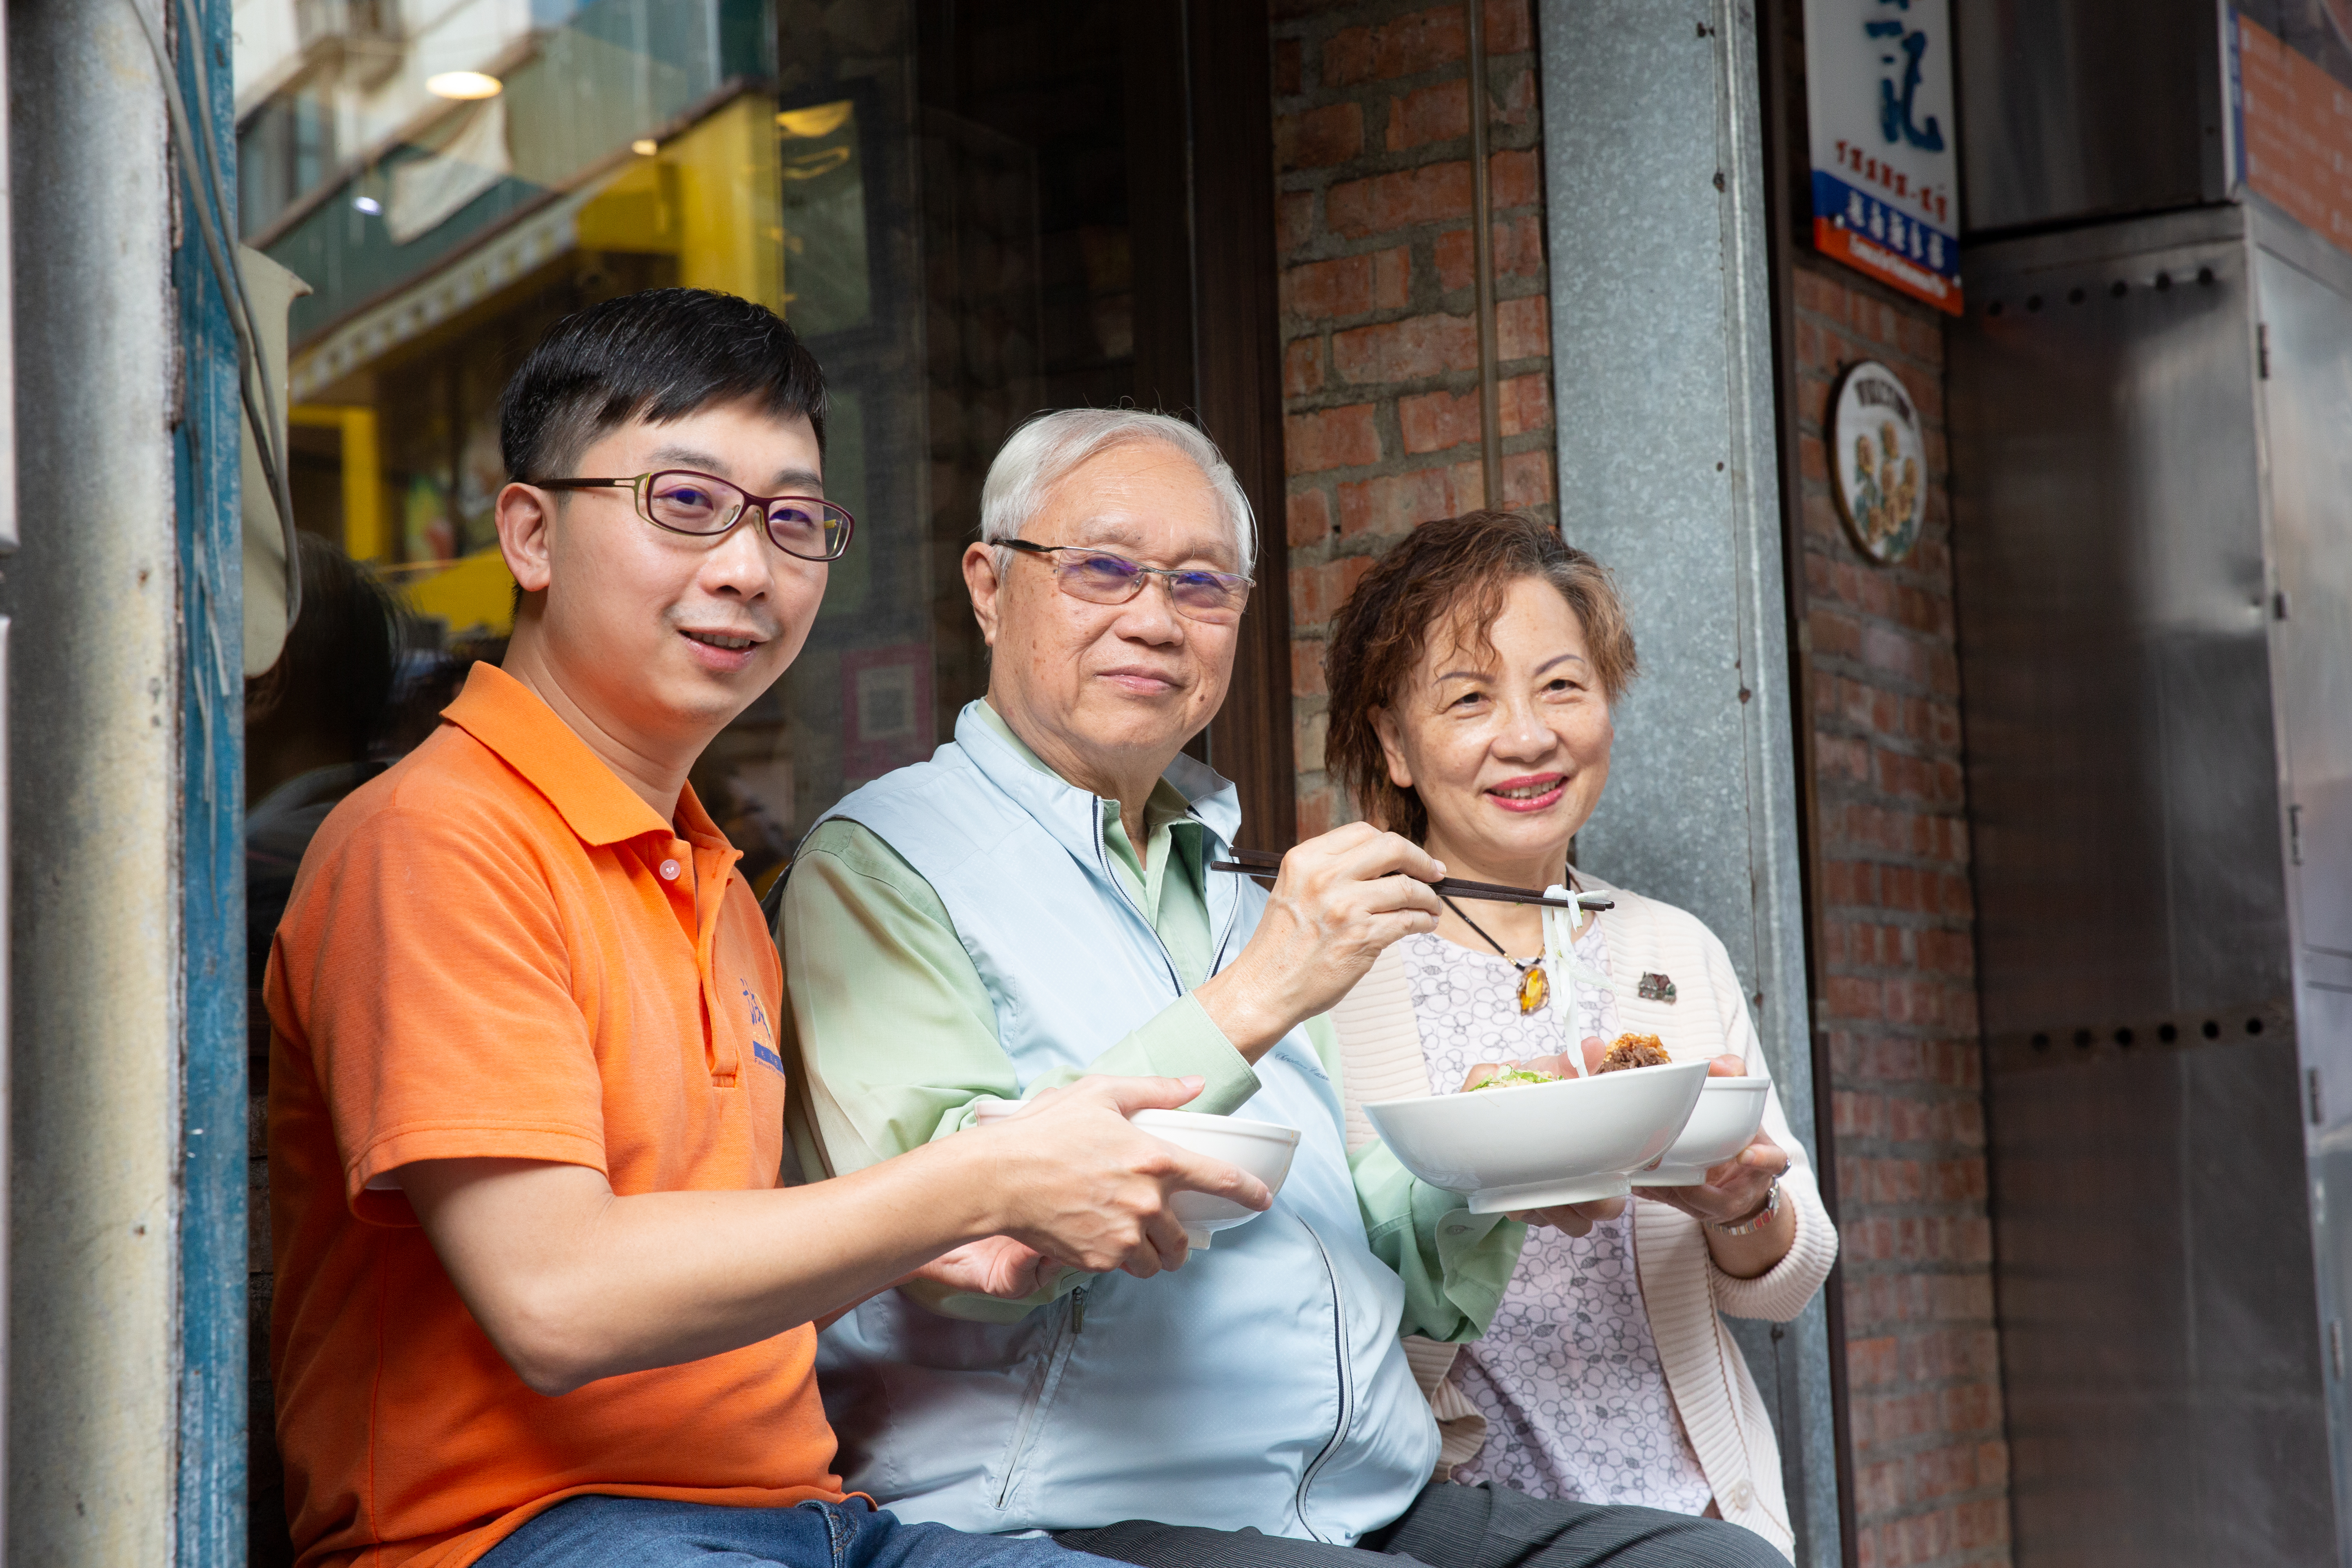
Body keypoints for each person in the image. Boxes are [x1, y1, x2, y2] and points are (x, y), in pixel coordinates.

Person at [263, 290, 1268, 1568]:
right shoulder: (435, 839)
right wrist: (977, 1179)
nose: (746, 567)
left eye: (791, 521)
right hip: (512, 1534)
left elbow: (726, 1254)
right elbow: (557, 1300)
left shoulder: (719, 880)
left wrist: (945, 1234)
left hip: (814, 1521)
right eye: (684, 502)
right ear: (531, 532)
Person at [777, 407, 1784, 1567]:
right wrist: (1257, 994)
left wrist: (1516, 1178)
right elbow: (944, 1245)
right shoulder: (885, 859)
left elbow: (1385, 1273)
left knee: (1721, 1565)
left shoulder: (1236, 890)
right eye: (1105, 569)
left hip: (1364, 1497)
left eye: (1202, 586)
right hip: (1072, 1507)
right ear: (990, 585)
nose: (1155, 619)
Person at [1319, 512, 1838, 1558]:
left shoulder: (1670, 946)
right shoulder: (1335, 964)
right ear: (1392, 743)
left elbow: (1791, 1273)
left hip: (1698, 1509)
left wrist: (1745, 1205)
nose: (1528, 735)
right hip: (1450, 1514)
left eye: (1562, 686)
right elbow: (1311, 1295)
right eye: (1470, 698)